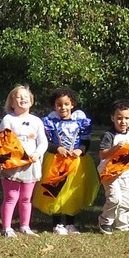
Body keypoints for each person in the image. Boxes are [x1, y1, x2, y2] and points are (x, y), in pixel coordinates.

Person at [0, 85, 48, 237]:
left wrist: (37, 153)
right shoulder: (8, 119)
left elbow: (43, 142)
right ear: (12, 103)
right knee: (11, 196)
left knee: (27, 198)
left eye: (25, 96)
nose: (23, 99)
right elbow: (4, 141)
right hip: (12, 164)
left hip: (31, 164)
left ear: (31, 100)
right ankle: (7, 227)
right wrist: (11, 159)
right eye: (18, 97)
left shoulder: (36, 121)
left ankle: (25, 225)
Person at [35, 87, 94, 235]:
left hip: (75, 162)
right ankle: (57, 223)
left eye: (66, 104)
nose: (63, 107)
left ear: (72, 104)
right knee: (56, 188)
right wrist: (57, 149)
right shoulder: (50, 122)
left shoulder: (80, 121)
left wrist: (80, 150)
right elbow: (46, 143)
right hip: (56, 160)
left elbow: (86, 142)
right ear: (54, 106)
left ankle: (70, 223)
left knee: (72, 191)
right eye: (59, 105)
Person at [97, 99, 129, 234]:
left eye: (126, 118)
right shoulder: (109, 135)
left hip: (124, 172)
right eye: (119, 118)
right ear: (112, 118)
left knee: (127, 199)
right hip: (109, 172)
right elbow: (102, 154)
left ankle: (122, 224)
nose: (122, 122)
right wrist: (115, 148)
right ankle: (105, 221)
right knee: (114, 198)